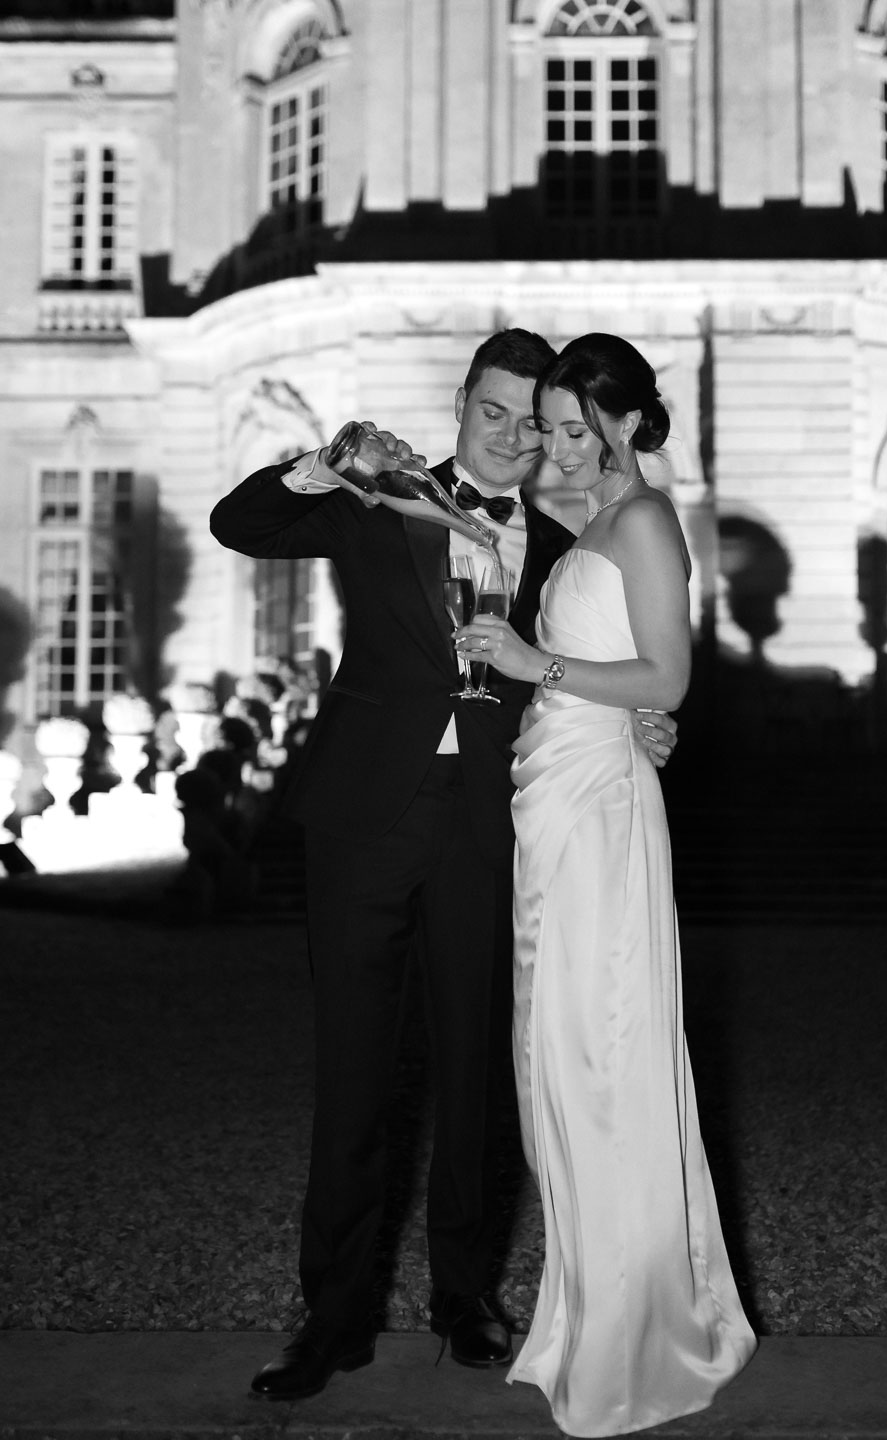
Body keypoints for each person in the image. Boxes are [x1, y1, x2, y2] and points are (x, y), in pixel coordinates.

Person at [209, 329, 678, 1402]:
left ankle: (464, 1299)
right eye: (495, 412)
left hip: (492, 824)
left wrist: (643, 722)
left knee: (474, 1073)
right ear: (459, 403)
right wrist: (325, 463)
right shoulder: (384, 496)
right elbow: (242, 523)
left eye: (533, 419)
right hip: (364, 819)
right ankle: (330, 1318)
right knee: (353, 1071)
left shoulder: (567, 541)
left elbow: (604, 668)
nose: (515, 437)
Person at [458, 333, 757, 1437]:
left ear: (628, 424)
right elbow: (632, 675)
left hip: (597, 808)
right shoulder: (592, 523)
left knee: (603, 1050)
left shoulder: (641, 519)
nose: (561, 449)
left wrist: (532, 664)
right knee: (556, 1053)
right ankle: (583, 1308)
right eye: (553, 428)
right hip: (558, 795)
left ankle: (637, 1329)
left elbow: (668, 674)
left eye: (579, 429)